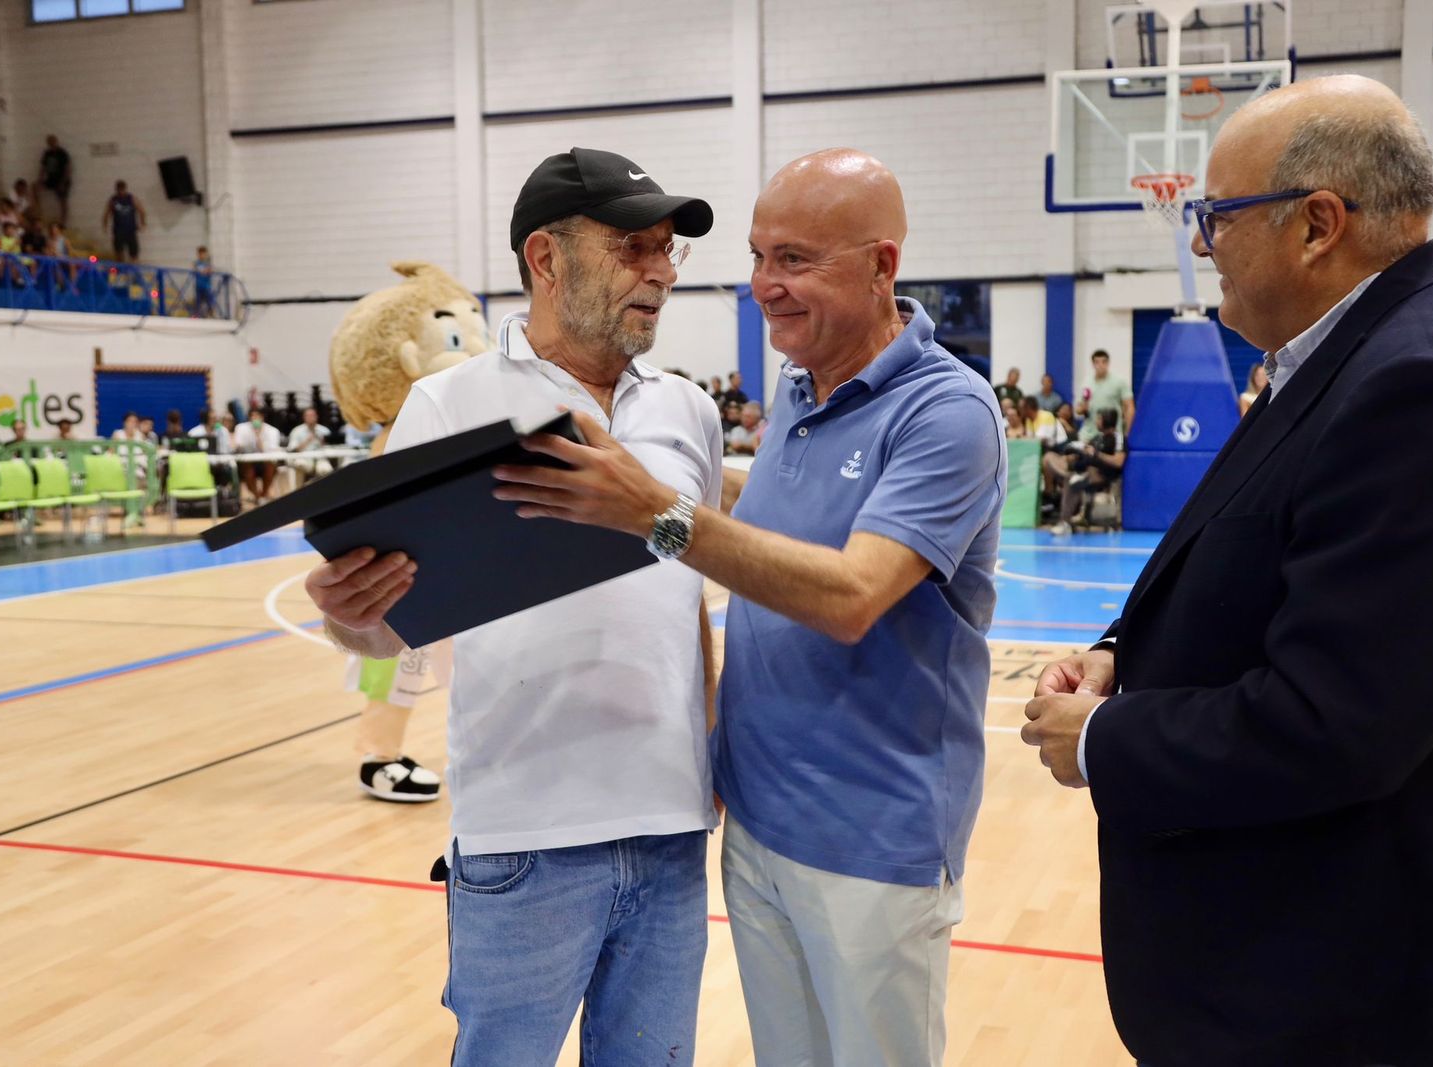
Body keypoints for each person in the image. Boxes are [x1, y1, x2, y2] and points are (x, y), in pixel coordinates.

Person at [1021, 75, 1433, 1067]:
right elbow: (1259, 570)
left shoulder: (1422, 387)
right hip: (1284, 981)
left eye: (1217, 217)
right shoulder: (1344, 361)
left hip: (1331, 1000)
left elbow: (1339, 723)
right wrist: (1125, 653)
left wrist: (1105, 737)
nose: (1201, 245)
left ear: (1316, 224)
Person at [495, 148, 1005, 1066]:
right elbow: (765, 527)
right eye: (759, 256)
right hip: (756, 825)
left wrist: (654, 507)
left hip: (870, 843)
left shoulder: (947, 410)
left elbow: (852, 595)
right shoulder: (801, 386)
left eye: (796, 260)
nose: (765, 286)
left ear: (883, 265)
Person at [303, 146, 718, 1066]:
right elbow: (384, 622)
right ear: (546, 257)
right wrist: (344, 607)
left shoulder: (689, 411)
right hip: (524, 840)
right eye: (632, 247)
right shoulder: (449, 407)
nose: (660, 271)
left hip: (671, 834)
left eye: (668, 251)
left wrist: (712, 760)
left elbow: (690, 606)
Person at [1052, 406, 1123, 535]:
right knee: (1062, 470)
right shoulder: (1098, 437)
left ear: (1107, 420)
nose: (1096, 422)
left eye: (1099, 419)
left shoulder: (1118, 438)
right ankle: (1066, 521)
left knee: (1074, 479)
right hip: (1086, 468)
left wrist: (1096, 453)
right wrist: (1074, 455)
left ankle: (1065, 522)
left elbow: (1118, 462)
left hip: (1104, 474)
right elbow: (1086, 450)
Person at [1078, 349, 1134, 439]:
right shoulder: (1086, 382)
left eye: (1104, 362)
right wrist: (1081, 409)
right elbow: (1079, 409)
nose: (1100, 365)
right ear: (1093, 364)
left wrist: (1128, 431)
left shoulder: (1119, 382)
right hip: (1088, 433)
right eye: (1097, 362)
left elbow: (1129, 407)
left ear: (1108, 363)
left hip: (1111, 433)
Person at [232, 407, 281, 504]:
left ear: (262, 417)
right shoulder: (241, 428)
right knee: (248, 470)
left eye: (257, 416)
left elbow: (272, 450)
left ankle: (263, 495)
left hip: (265, 462)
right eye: (252, 416)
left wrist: (258, 436)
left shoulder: (272, 431)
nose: (255, 418)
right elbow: (238, 446)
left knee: (271, 466)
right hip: (247, 462)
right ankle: (258, 496)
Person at [286, 406, 331, 484]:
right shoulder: (297, 431)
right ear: (304, 417)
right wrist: (307, 441)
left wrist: (322, 442)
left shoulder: (324, 430)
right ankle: (298, 492)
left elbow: (331, 449)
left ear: (317, 417)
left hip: (321, 459)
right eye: (308, 416)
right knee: (300, 464)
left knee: (326, 469)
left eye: (312, 415)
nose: (310, 418)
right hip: (304, 458)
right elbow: (292, 450)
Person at [102, 180, 145, 262]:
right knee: (119, 252)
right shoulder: (113, 200)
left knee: (134, 253)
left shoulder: (132, 199)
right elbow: (106, 214)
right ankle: (121, 270)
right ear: (116, 190)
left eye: (123, 190)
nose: (121, 192)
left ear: (125, 189)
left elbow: (142, 211)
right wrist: (105, 226)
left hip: (130, 230)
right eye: (119, 190)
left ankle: (133, 270)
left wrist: (143, 224)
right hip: (118, 231)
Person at [36, 135, 71, 221]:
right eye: (49, 142)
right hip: (51, 179)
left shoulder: (62, 153)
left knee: (62, 200)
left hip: (61, 180)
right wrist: (39, 181)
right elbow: (42, 168)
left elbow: (68, 169)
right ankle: (38, 213)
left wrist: (63, 183)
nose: (51, 144)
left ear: (56, 141)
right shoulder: (47, 153)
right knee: (34, 187)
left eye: (52, 142)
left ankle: (63, 222)